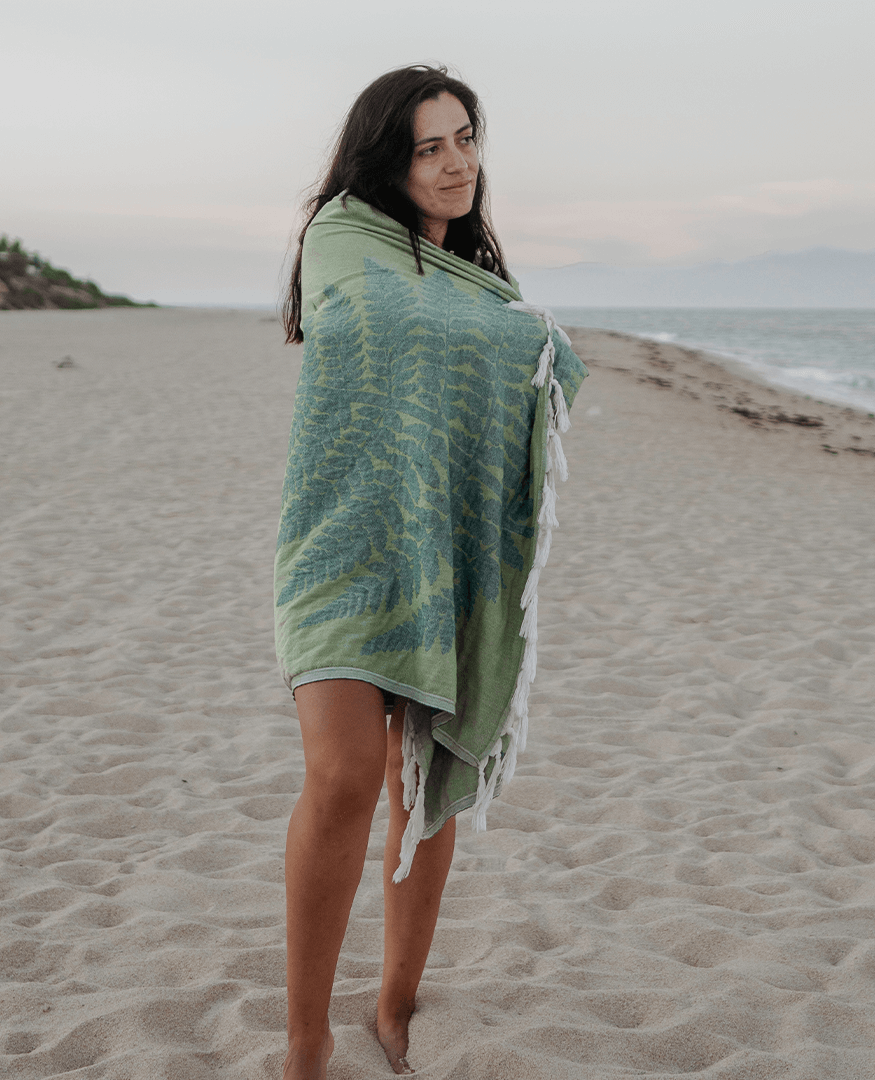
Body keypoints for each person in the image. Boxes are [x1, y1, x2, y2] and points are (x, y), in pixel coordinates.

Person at [275, 65, 587, 1078]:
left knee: (427, 774)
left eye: (466, 140)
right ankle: (307, 1035)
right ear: (386, 160)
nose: (456, 164)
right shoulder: (341, 238)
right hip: (343, 540)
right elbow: (388, 328)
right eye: (428, 147)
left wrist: (523, 333)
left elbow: (507, 355)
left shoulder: (477, 282)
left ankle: (396, 1004)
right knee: (343, 775)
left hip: (446, 546)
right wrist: (523, 333)